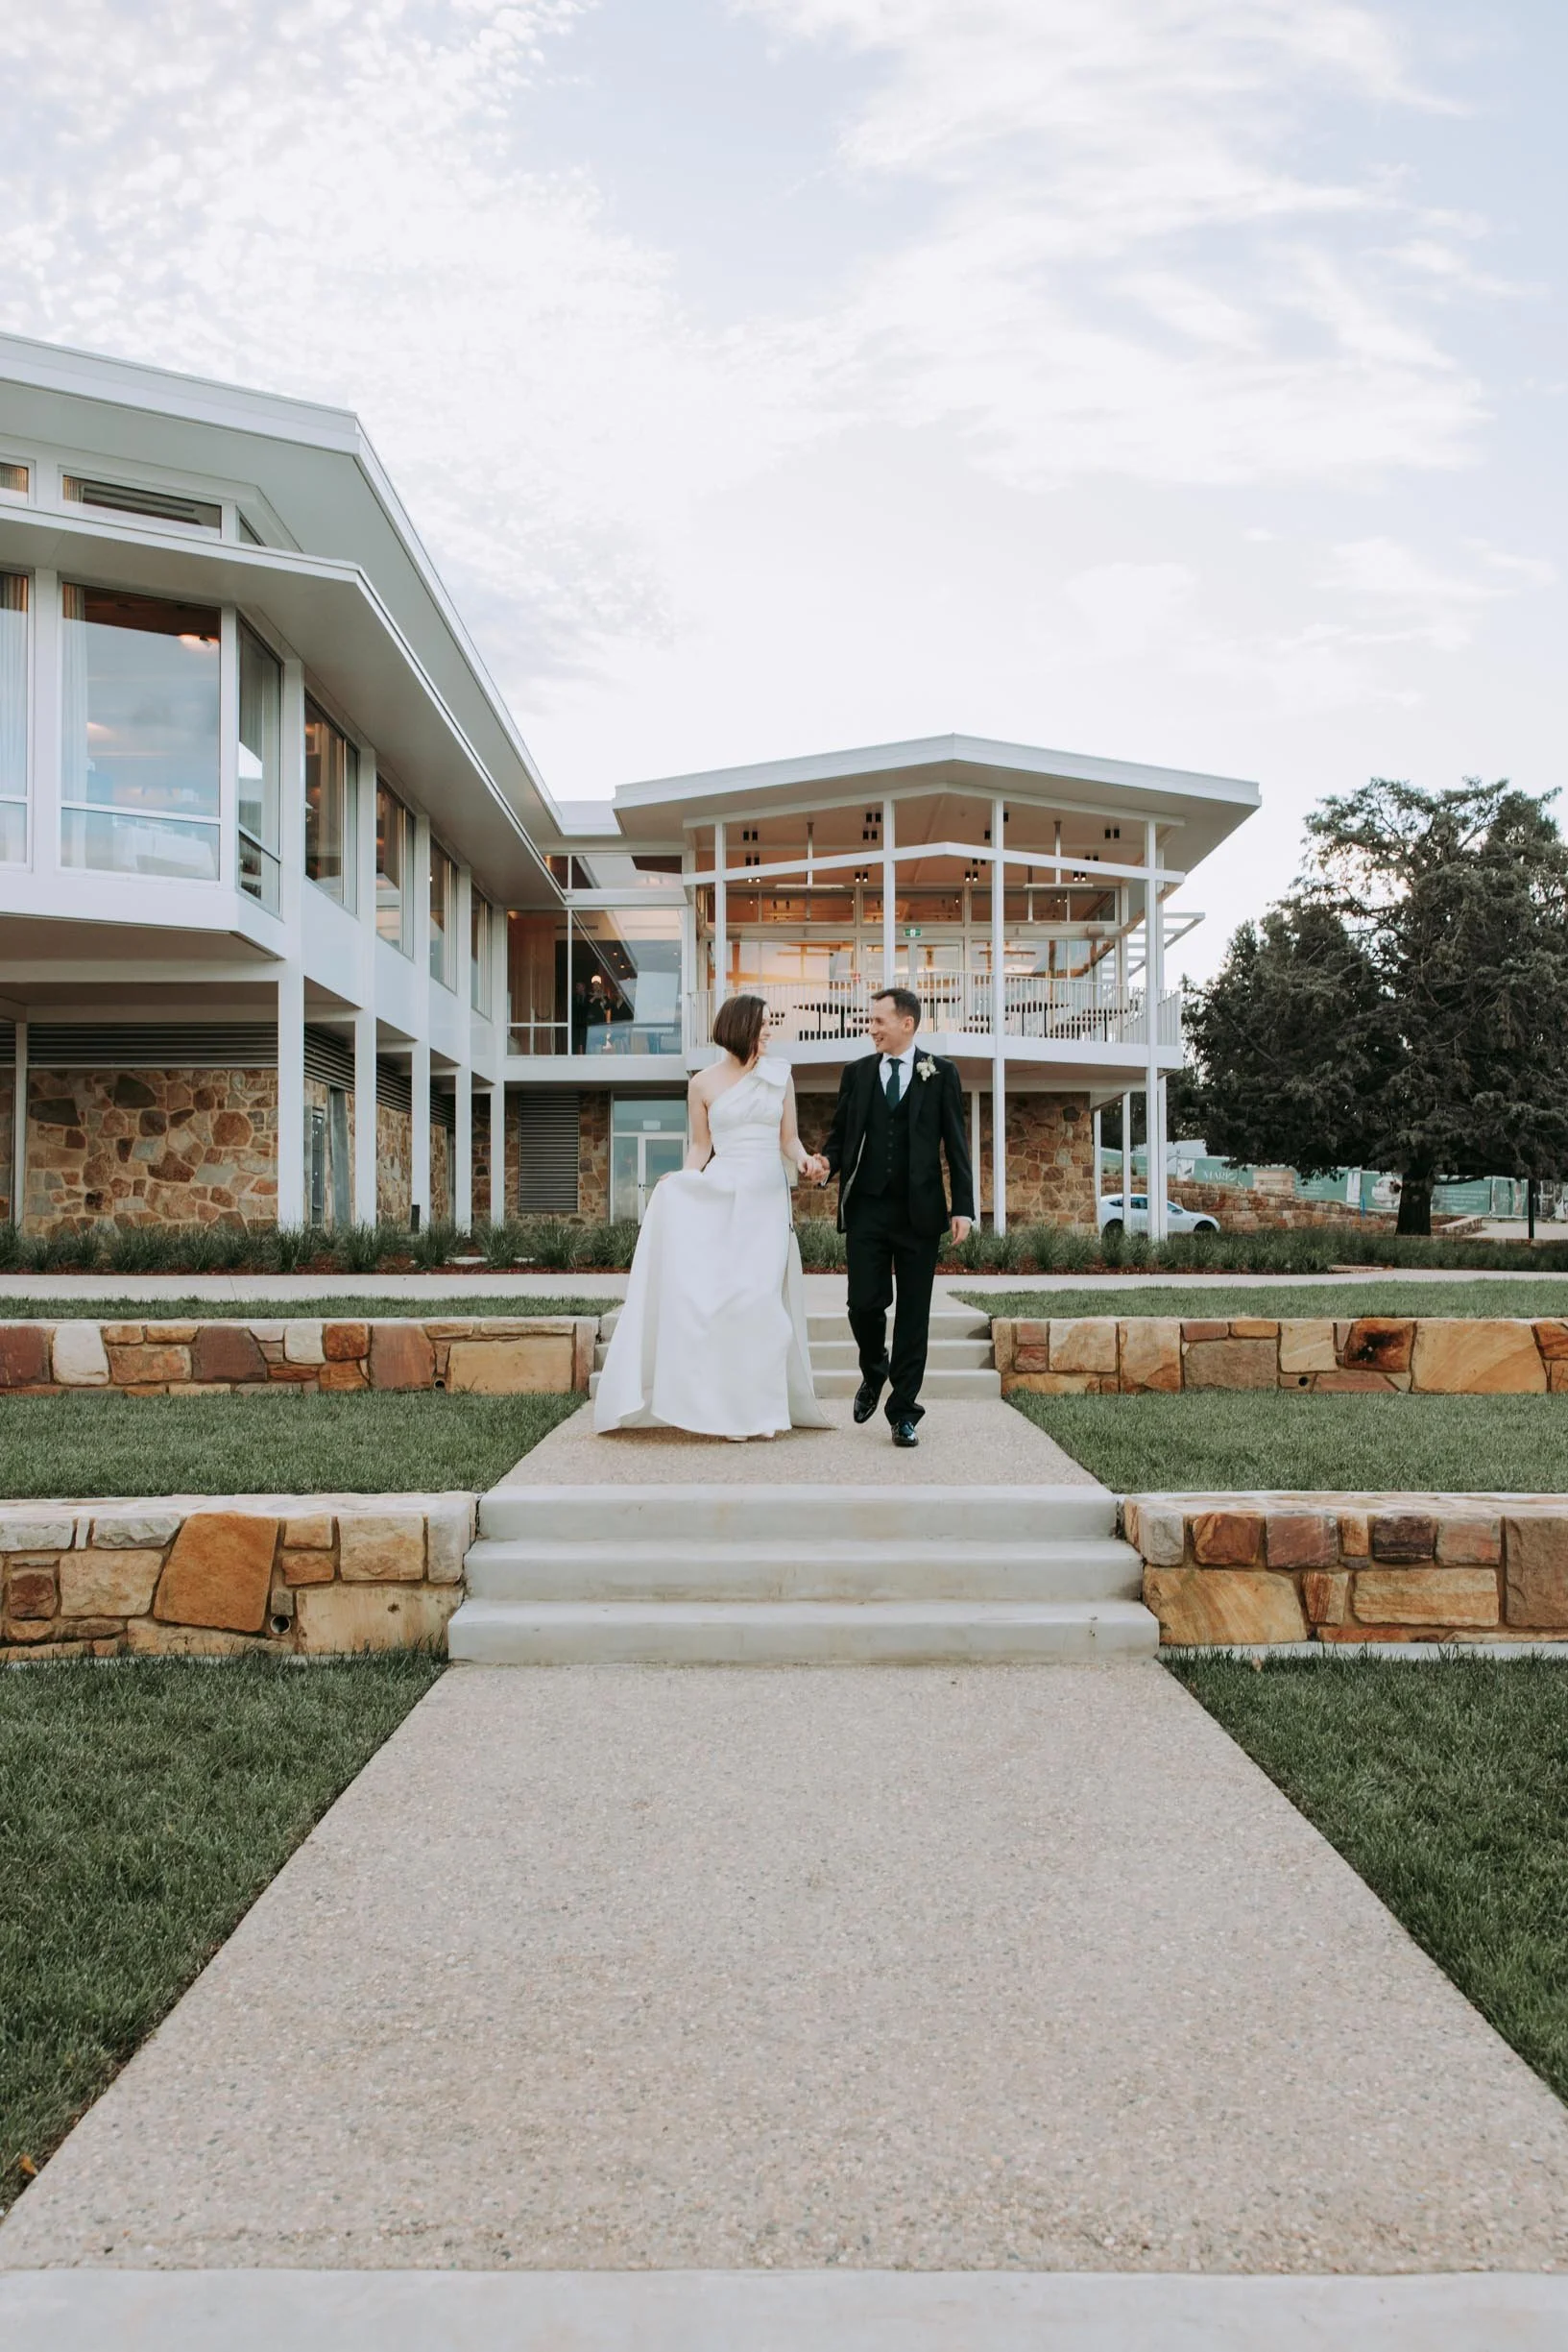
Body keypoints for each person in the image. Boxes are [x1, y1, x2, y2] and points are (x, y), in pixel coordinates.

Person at [594, 992, 831, 1439]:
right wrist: (683, 1182)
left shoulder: (780, 1076)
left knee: (760, 1303)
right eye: (763, 1023)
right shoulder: (702, 1084)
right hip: (723, 1193)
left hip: (766, 1199)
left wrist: (804, 1161)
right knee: (725, 1304)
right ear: (740, 1027)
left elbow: (789, 1139)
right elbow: (702, 1147)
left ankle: (760, 1411)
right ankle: (727, 1411)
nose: (769, 1031)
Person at [818, 985, 975, 1447]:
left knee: (913, 1315)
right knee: (863, 1305)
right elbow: (841, 1135)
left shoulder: (941, 1073)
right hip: (867, 1209)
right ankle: (874, 1371)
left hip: (919, 1214)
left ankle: (904, 1411)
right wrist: (826, 1162)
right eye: (870, 1021)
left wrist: (963, 1207)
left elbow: (956, 1143)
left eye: (878, 1021)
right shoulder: (857, 1073)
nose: (871, 1028)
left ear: (907, 1023)